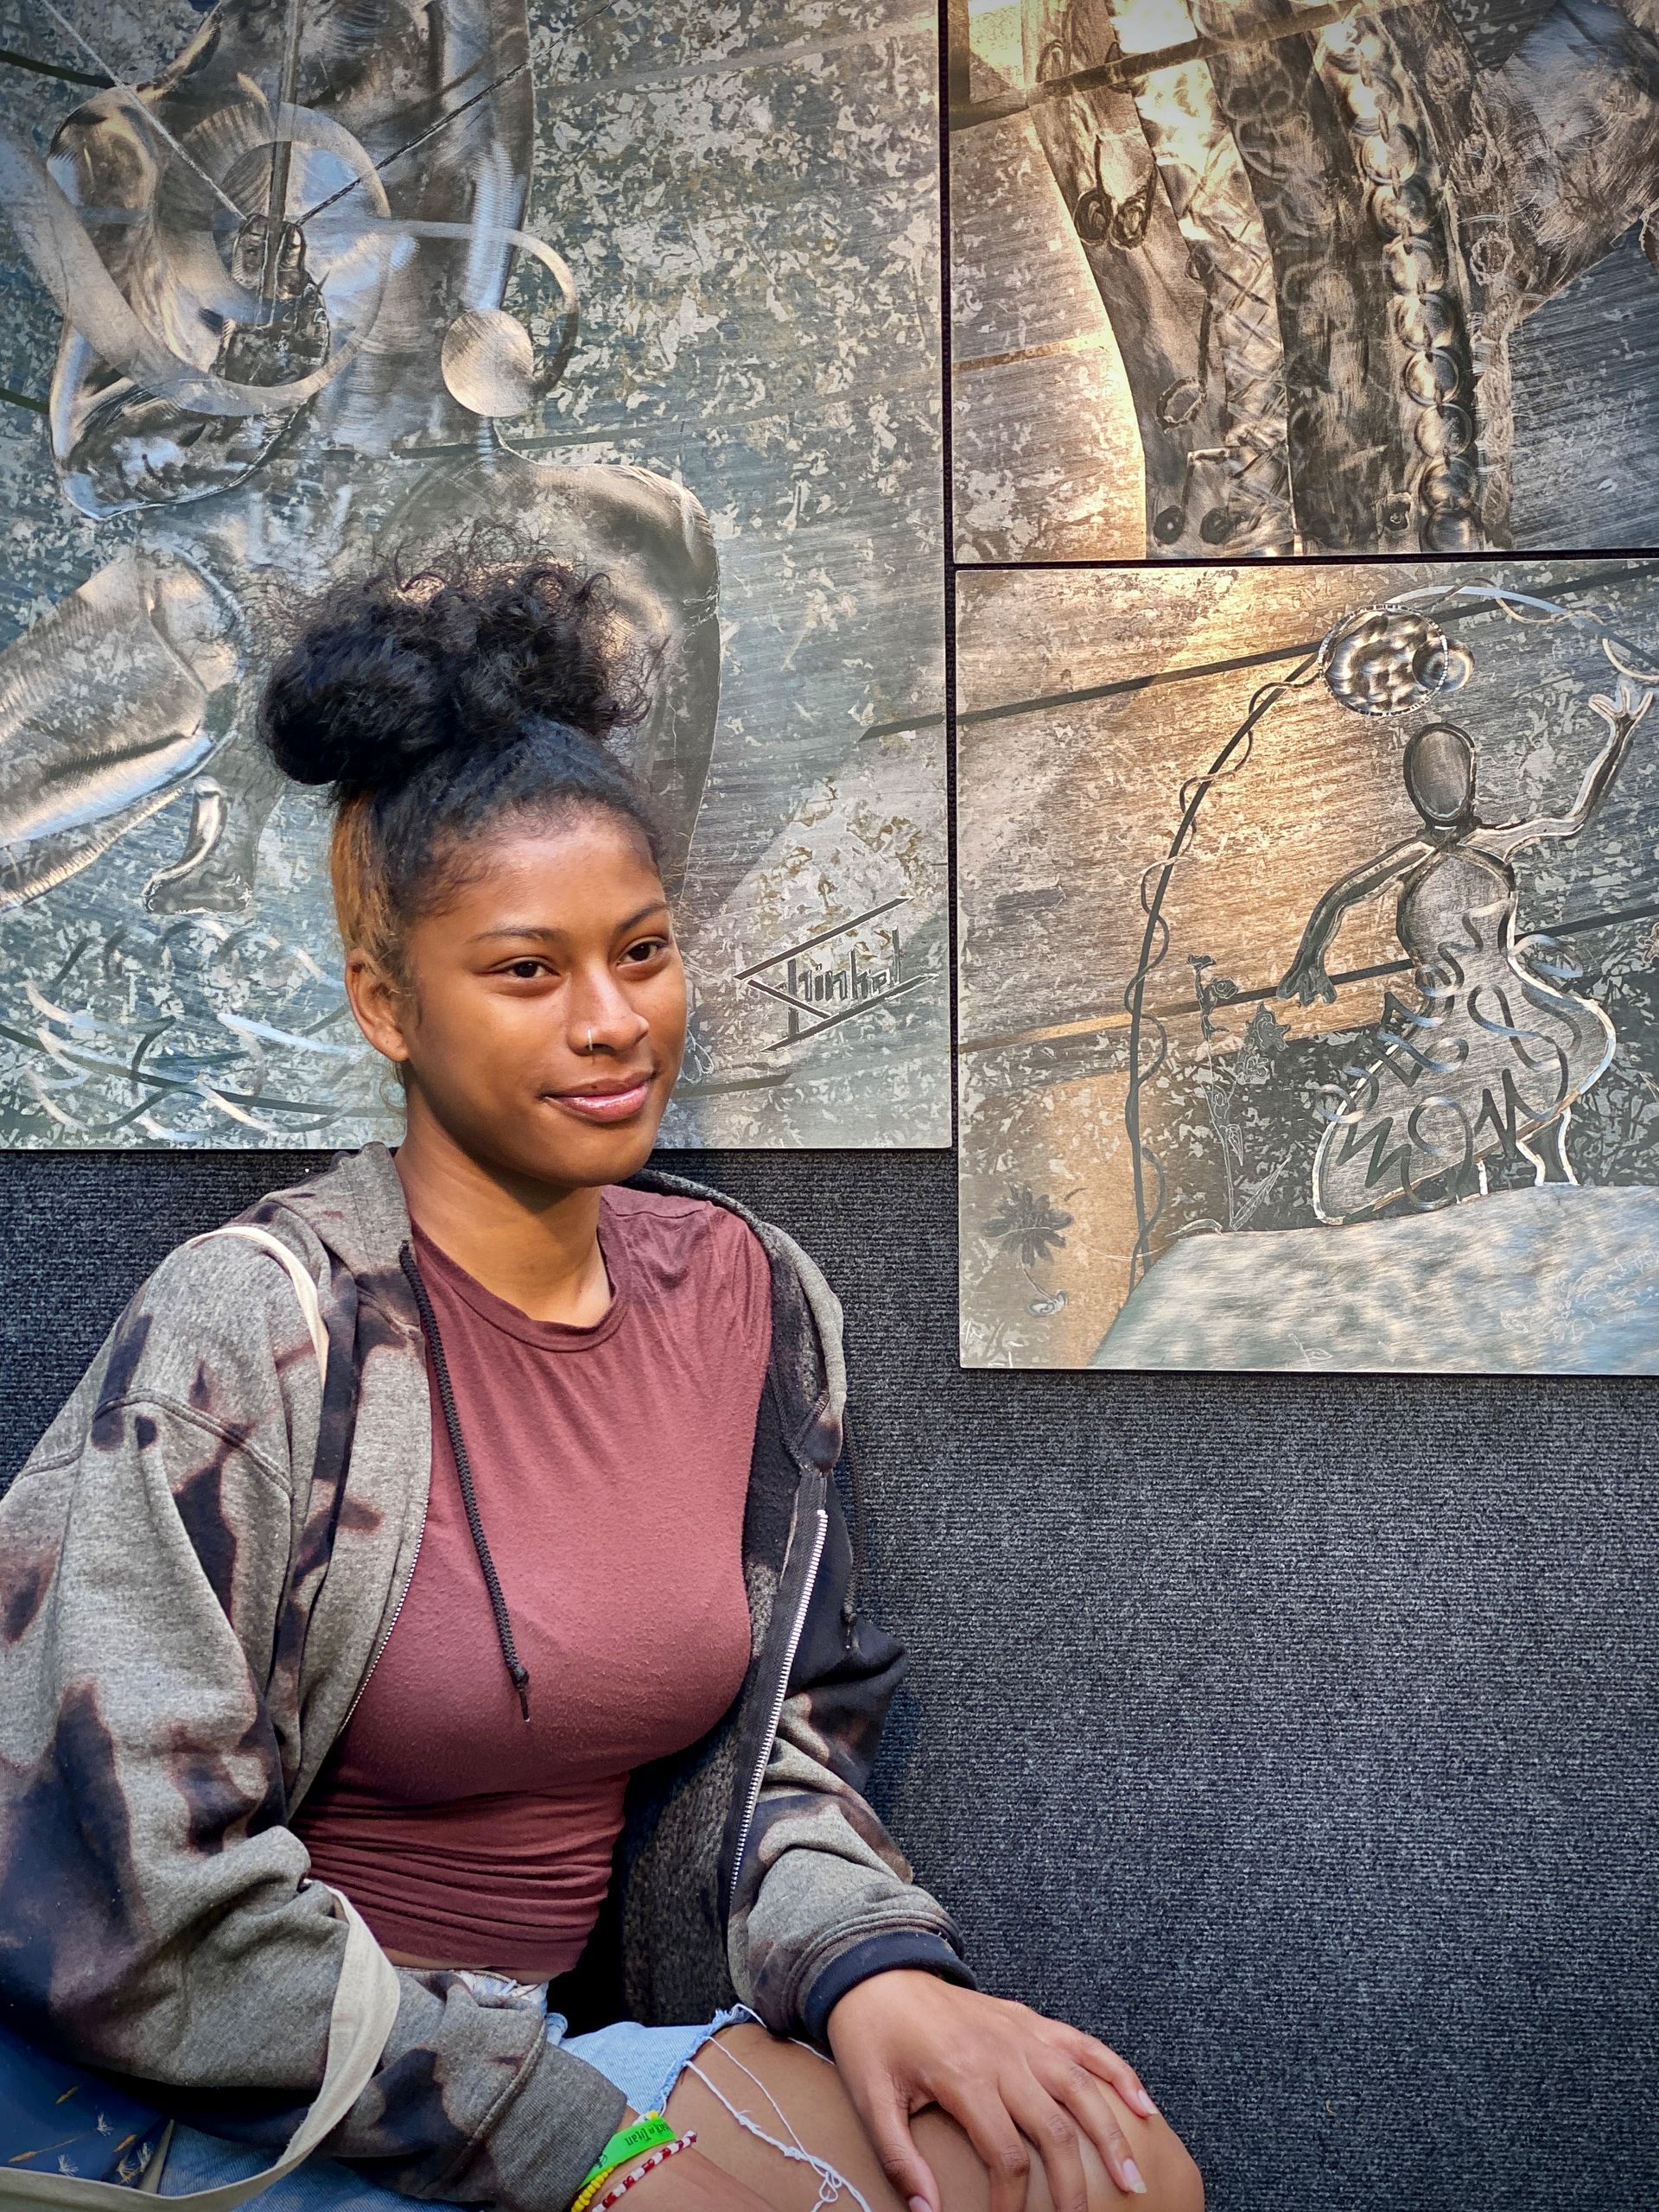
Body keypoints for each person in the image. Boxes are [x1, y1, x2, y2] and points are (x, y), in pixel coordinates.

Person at [0, 554, 1205, 2212]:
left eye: (640, 951)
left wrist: (878, 1976)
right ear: (385, 1004)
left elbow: (792, 1741)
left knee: (1113, 2177)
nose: (611, 1022)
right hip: (234, 2110)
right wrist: (565, 2141)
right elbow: (116, 1898)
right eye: (525, 971)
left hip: (551, 2064)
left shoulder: (747, 1302)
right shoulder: (254, 1332)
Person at [1276, 685, 1651, 1220]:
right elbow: (1342, 895)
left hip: (1507, 996)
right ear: (1415, 792)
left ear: (1470, 781)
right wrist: (1309, 958)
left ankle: (1555, 1174)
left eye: (1450, 776)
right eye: (1429, 781)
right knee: (1444, 1100)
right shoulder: (1413, 854)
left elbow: (1573, 820)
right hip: (1446, 1013)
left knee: (1542, 1063)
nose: (1441, 791)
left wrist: (1620, 735)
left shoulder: (1495, 843)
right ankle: (1464, 1204)